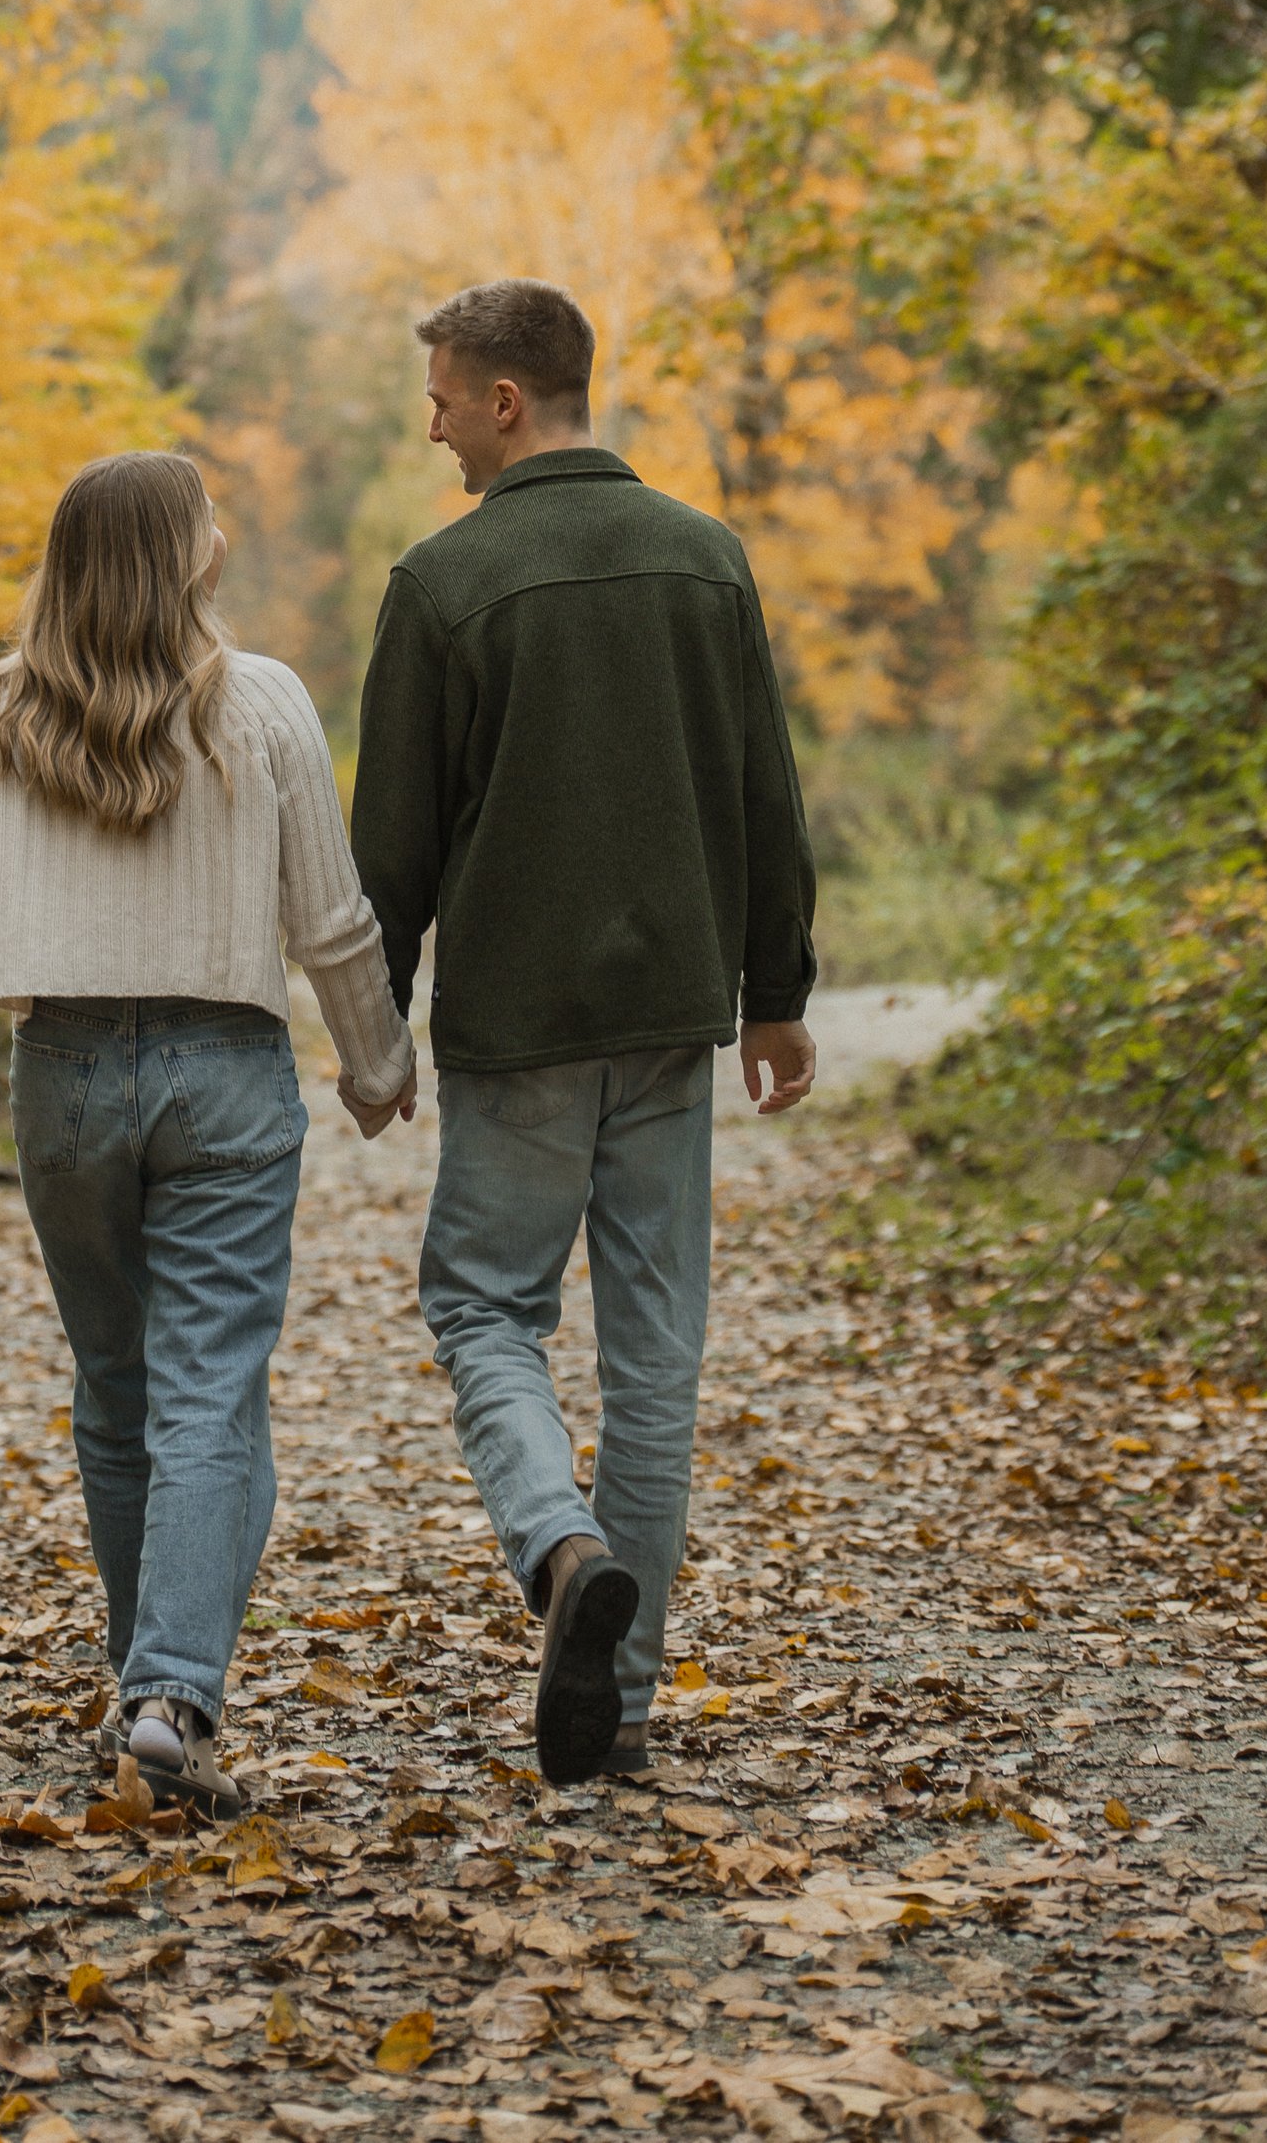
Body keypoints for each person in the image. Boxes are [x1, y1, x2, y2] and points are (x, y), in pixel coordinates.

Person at [0, 451, 415, 1821]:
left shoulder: (15, 714)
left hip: (65, 1075)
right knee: (211, 1388)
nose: (227, 529)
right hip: (224, 1079)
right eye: (208, 515)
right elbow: (332, 919)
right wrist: (379, 1061)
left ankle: (151, 1679)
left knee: (117, 1385)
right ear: (174, 553)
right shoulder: (264, 706)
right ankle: (171, 1694)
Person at [348, 279, 817, 1788]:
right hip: (674, 1018)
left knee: (486, 1308)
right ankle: (615, 1705)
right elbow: (764, 789)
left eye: (440, 398)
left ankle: (559, 1552)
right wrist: (778, 990)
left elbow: (391, 847)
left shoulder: (441, 581)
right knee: (657, 1347)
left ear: (504, 400)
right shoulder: (709, 558)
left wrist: (380, 1023)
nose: (429, 426)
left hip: (517, 1028)